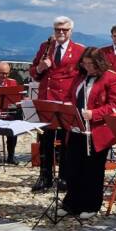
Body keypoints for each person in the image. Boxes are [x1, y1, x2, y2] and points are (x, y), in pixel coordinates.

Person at [61, 47, 116, 218]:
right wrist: (66, 108)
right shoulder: (80, 77)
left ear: (99, 63)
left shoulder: (113, 78)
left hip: (96, 131)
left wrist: (94, 113)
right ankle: (72, 202)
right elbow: (70, 96)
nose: (87, 67)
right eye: (85, 63)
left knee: (92, 170)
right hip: (76, 128)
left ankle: (91, 205)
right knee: (73, 167)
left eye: (91, 64)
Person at [29, 16, 85, 192]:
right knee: (45, 140)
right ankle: (45, 176)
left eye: (64, 30)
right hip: (47, 98)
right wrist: (40, 68)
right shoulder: (45, 48)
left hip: (66, 100)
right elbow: (33, 71)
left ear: (71, 31)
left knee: (65, 140)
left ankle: (64, 177)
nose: (61, 33)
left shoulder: (78, 50)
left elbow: (83, 75)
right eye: (57, 29)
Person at [0, 61, 21, 164]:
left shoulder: (12, 82)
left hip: (6, 113)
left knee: (14, 126)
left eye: (7, 73)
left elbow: (15, 100)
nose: (5, 76)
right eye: (2, 73)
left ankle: (11, 156)